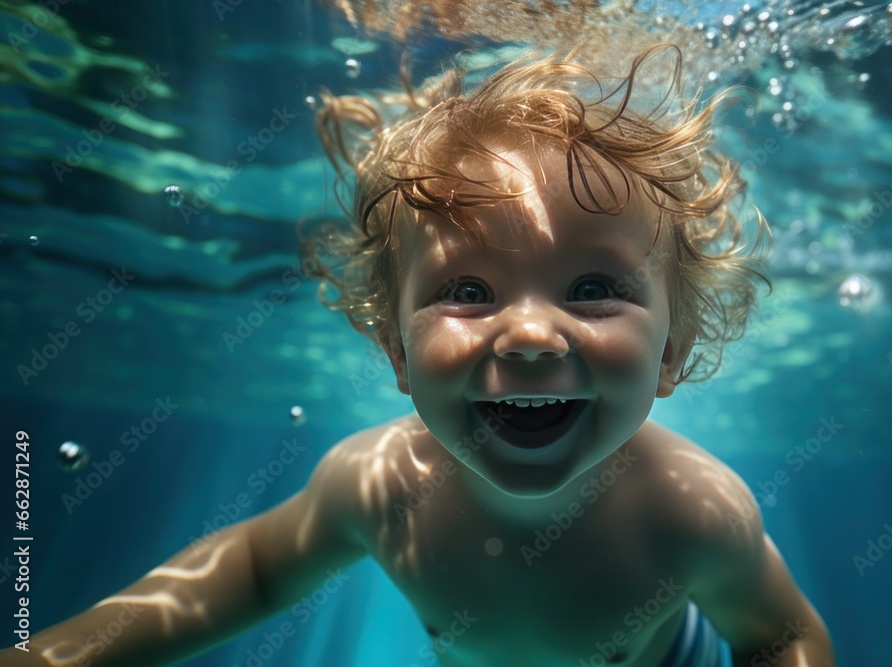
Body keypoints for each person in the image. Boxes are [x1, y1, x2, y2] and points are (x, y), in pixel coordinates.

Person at [3, 43, 835, 666]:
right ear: (398, 351)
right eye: (468, 292)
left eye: (591, 288)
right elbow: (255, 570)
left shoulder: (694, 513)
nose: (533, 336)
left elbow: (783, 633)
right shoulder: (377, 486)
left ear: (671, 353)